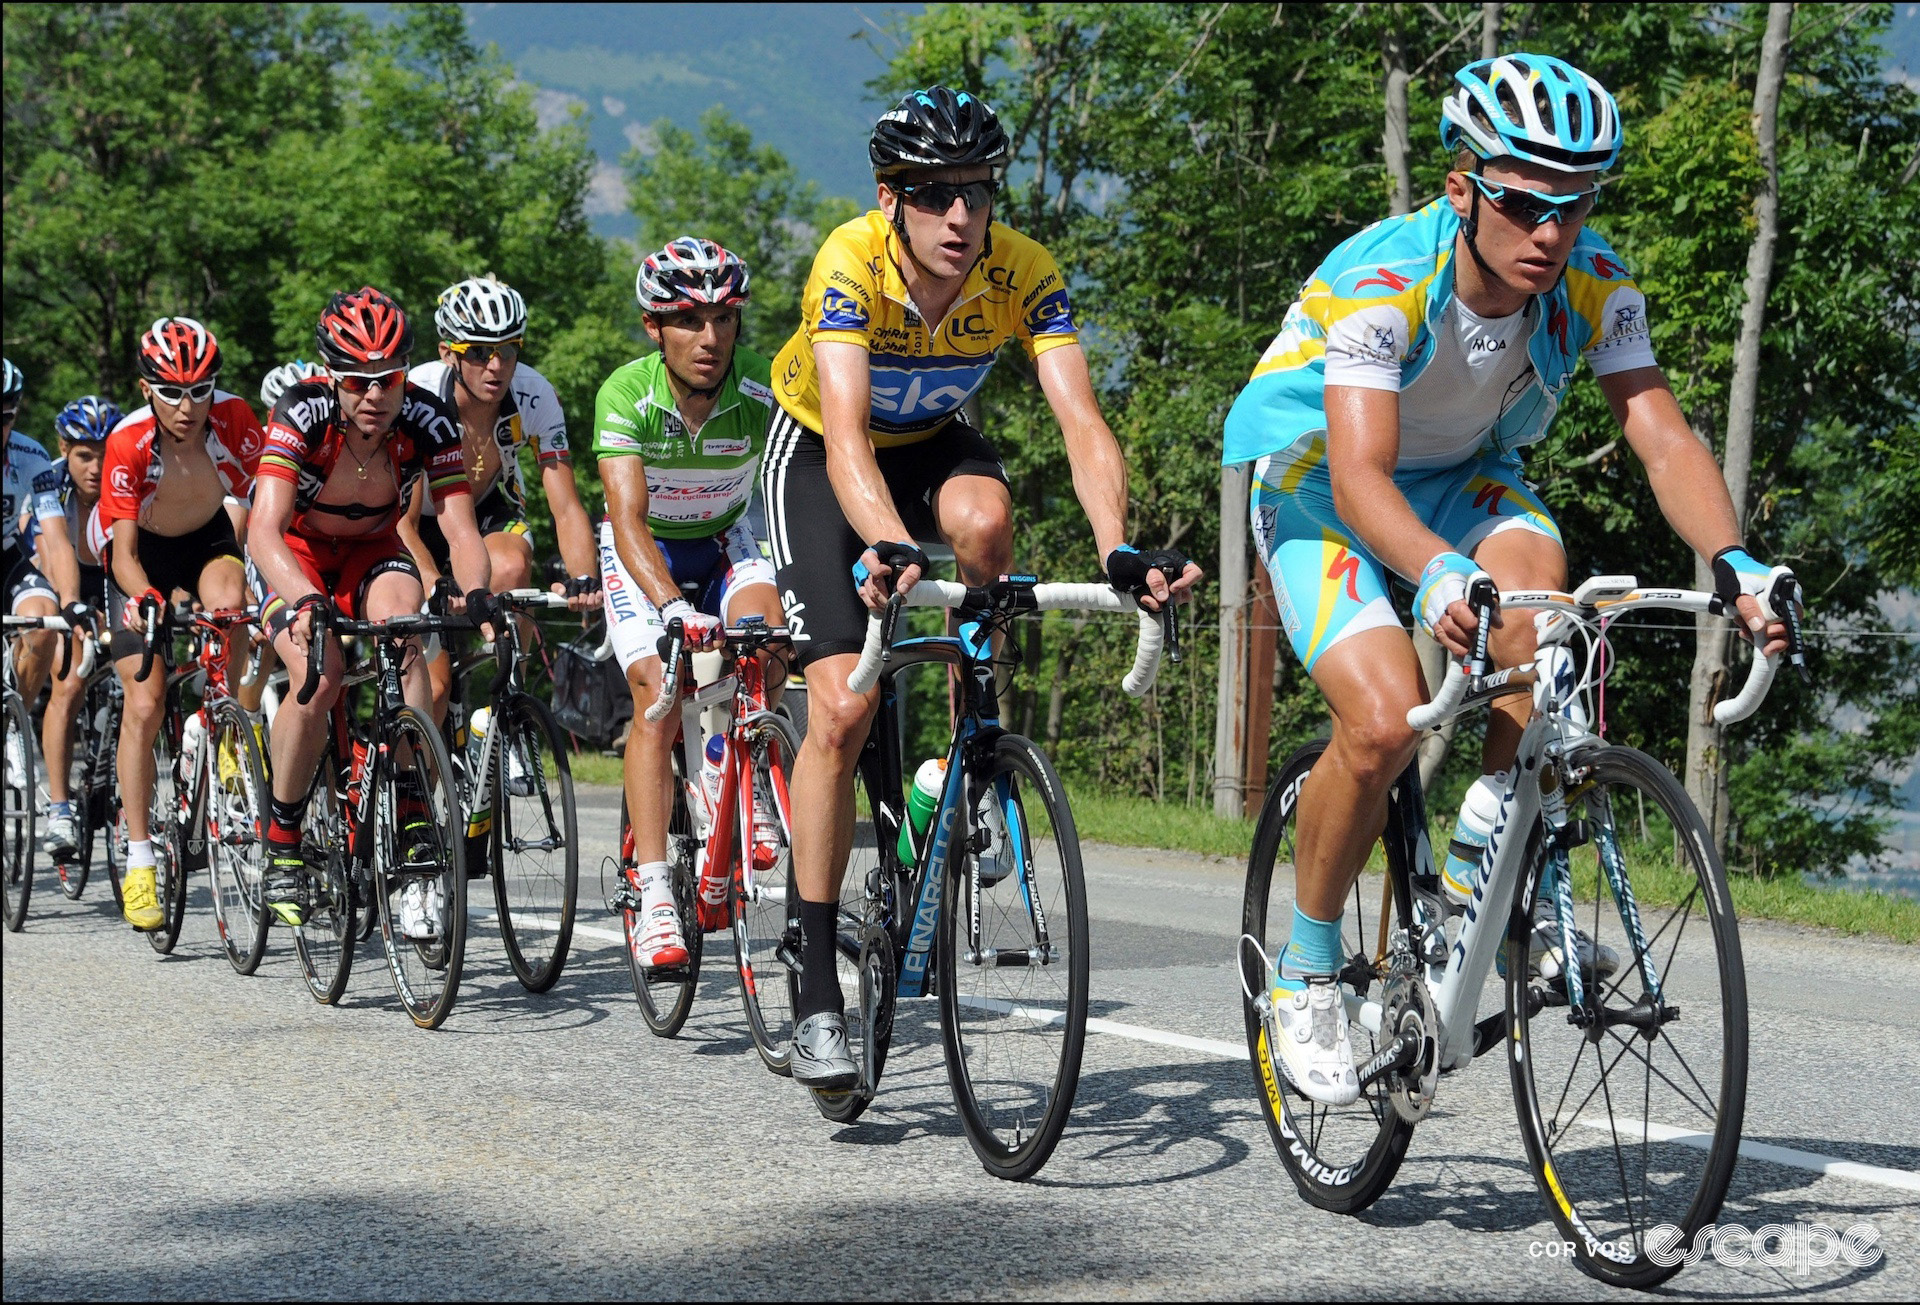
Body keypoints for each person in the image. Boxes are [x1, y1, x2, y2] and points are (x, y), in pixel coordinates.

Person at [1221, 54, 1797, 1106]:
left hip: (1466, 479)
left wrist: (1739, 564)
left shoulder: (1594, 280)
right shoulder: (1382, 284)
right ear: (1462, 187)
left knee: (1543, 603)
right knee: (1387, 722)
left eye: (1573, 207)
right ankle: (1304, 970)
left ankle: (1489, 854)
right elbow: (1358, 473)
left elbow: (1660, 436)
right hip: (1323, 487)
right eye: (1525, 201)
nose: (1550, 232)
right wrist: (1434, 573)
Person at [764, 87, 1201, 1089]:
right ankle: (815, 986)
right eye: (933, 194)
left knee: (986, 524)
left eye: (977, 191)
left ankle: (979, 746)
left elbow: (1079, 418)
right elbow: (841, 429)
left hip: (930, 447)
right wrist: (881, 540)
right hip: (824, 462)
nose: (961, 216)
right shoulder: (848, 262)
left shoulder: (1022, 271)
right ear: (891, 198)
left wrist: (1118, 550)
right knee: (839, 708)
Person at [247, 287, 491, 937]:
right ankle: (283, 836)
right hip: (295, 552)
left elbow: (462, 530)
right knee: (319, 675)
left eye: (388, 379)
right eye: (357, 381)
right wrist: (301, 600)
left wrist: (473, 594)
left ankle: (411, 801)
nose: (374, 395)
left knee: (405, 634)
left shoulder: (427, 420)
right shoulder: (301, 413)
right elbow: (264, 529)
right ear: (332, 375)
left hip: (372, 549)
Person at [594, 237, 784, 969]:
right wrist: (672, 605)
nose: (710, 339)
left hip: (727, 539)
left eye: (725, 319)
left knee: (766, 633)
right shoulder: (627, 393)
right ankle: (654, 893)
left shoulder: (759, 398)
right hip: (649, 554)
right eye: (689, 320)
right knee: (656, 695)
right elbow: (628, 517)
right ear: (654, 327)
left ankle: (752, 775)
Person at [98, 320, 263, 931]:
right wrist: (145, 596)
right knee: (144, 705)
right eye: (171, 392)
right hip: (140, 555)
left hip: (206, 538)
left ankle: (224, 719)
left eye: (200, 390)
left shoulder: (236, 418)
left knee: (232, 598)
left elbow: (263, 501)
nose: (187, 407)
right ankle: (140, 858)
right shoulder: (130, 442)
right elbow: (121, 554)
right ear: (147, 389)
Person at [400, 274, 600, 724]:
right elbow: (403, 522)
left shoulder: (535, 394)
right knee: (433, 689)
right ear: (447, 352)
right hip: (420, 520)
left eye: (507, 350)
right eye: (477, 352)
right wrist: (432, 579)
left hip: (490, 507)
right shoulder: (417, 397)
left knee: (511, 566)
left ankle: (507, 709)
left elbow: (565, 503)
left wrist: (584, 577)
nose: (495, 366)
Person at [35, 395, 120, 859]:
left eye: (106, 454)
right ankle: (61, 808)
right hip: (60, 575)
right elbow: (49, 557)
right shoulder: (50, 483)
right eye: (85, 455)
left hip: (110, 576)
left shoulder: (126, 481)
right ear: (64, 449)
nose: (96, 466)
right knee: (67, 681)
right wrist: (74, 616)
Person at [2, 360, 81, 722]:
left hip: (8, 559)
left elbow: (56, 537)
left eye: (5, 418)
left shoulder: (31, 456)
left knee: (44, 621)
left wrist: (71, 602)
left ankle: (11, 724)